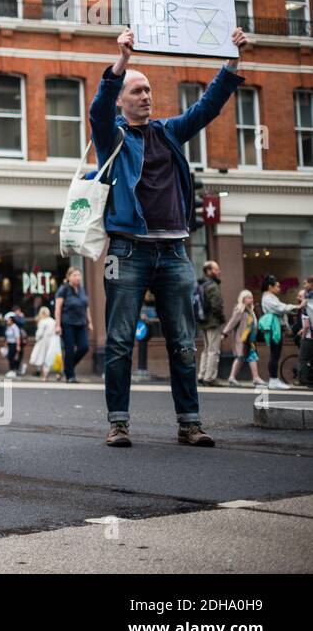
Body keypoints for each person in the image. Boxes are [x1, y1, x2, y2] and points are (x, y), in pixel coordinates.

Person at [92, 25, 250, 449]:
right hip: (127, 250)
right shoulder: (113, 139)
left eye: (148, 90)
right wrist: (121, 61)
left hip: (175, 251)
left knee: (183, 341)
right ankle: (119, 423)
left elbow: (207, 107)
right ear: (122, 100)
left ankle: (190, 423)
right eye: (137, 91)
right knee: (121, 338)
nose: (146, 96)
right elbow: (98, 109)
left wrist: (231, 63)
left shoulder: (168, 132)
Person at [259, 276, 299, 390]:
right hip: (274, 328)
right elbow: (280, 308)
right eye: (277, 286)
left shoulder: (271, 297)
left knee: (275, 354)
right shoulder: (268, 298)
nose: (279, 288)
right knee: (275, 354)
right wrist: (296, 307)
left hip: (276, 328)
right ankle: (273, 380)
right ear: (270, 287)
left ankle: (274, 379)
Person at [54, 267, 93, 382]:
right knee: (69, 349)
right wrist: (57, 325)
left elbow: (86, 306)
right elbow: (58, 308)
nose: (78, 277)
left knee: (84, 347)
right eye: (75, 275)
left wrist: (89, 321)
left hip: (81, 323)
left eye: (79, 275)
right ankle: (70, 375)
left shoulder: (81, 289)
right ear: (69, 277)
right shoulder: (64, 289)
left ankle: (67, 368)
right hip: (68, 323)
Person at [222, 290, 263, 387]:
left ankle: (237, 377)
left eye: (252, 297)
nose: (251, 299)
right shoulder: (240, 309)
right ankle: (253, 378)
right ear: (243, 299)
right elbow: (232, 322)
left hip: (250, 339)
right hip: (243, 339)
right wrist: (225, 333)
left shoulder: (250, 310)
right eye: (249, 297)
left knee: (245, 357)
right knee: (245, 357)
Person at [196, 261, 226, 386]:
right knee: (213, 350)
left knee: (206, 349)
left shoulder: (200, 285)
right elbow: (217, 306)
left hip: (202, 321)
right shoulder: (212, 286)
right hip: (213, 322)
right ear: (208, 271)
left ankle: (202, 375)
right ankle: (210, 378)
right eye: (216, 269)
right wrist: (222, 319)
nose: (218, 271)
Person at [27, 306, 61, 383]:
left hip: (44, 342)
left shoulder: (42, 322)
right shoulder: (53, 321)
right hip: (53, 342)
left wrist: (37, 339)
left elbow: (39, 333)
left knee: (43, 359)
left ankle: (44, 376)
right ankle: (58, 374)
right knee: (53, 358)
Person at [2, 313, 23, 379]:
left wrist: (18, 346)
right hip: (9, 344)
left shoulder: (14, 327)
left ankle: (13, 371)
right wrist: (5, 345)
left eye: (8, 320)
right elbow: (7, 337)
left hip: (14, 344)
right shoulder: (8, 327)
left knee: (12, 357)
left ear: (11, 320)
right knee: (9, 357)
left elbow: (17, 337)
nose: (7, 321)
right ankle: (11, 370)